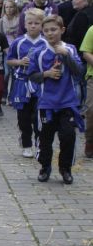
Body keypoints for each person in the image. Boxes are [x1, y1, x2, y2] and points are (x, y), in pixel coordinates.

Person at [27, 15, 84, 185]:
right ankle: (45, 167)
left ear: (62, 30)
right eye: (46, 31)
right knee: (45, 138)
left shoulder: (70, 49)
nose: (50, 33)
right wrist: (46, 74)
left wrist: (66, 56)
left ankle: (65, 169)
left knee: (68, 136)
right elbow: (31, 75)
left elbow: (79, 72)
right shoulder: (39, 52)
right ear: (42, 33)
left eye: (54, 29)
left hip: (68, 102)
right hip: (47, 103)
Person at [7, 8, 45, 157]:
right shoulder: (18, 42)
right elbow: (9, 60)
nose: (33, 26)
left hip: (39, 84)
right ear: (25, 24)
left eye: (37, 23)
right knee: (23, 116)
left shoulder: (46, 42)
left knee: (38, 116)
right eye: (30, 23)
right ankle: (26, 143)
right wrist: (19, 62)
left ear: (42, 25)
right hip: (22, 83)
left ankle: (39, 143)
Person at [80, 23, 93, 159]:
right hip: (92, 77)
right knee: (91, 110)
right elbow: (86, 53)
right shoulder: (92, 30)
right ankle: (90, 140)